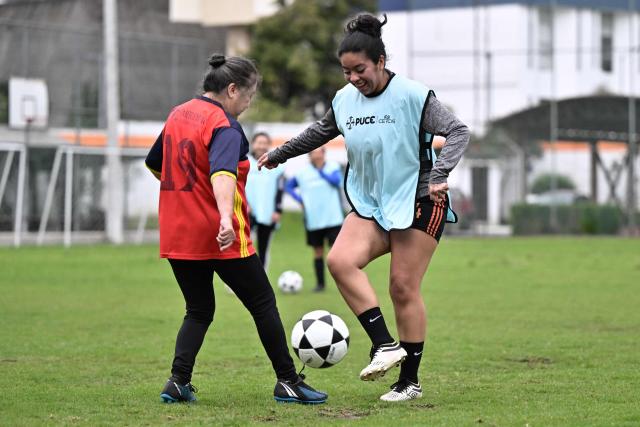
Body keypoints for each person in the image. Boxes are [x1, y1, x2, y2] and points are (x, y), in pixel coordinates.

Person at [259, 14, 469, 402]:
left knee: (402, 287)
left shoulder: (413, 95)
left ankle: (409, 382)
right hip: (371, 201)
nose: (354, 78)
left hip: (420, 198)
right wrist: (279, 154)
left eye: (360, 70)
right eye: (346, 72)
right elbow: (318, 133)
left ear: (380, 62)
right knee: (339, 261)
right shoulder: (344, 101)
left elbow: (458, 130)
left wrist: (440, 174)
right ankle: (384, 344)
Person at [145, 53, 327, 405]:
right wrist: (225, 217)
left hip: (177, 231)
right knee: (263, 302)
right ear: (232, 89)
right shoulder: (224, 124)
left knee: (198, 309)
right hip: (219, 232)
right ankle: (288, 381)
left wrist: (186, 192)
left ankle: (178, 381)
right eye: (248, 95)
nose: (247, 103)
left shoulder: (177, 114)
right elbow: (222, 172)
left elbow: (156, 163)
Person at [284, 147, 344, 292]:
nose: (317, 156)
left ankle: (343, 282)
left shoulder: (333, 167)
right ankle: (320, 284)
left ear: (324, 154)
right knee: (318, 251)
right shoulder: (302, 173)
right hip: (313, 219)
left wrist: (320, 171)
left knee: (336, 253)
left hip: (333, 218)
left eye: (320, 153)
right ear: (309, 156)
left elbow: (337, 182)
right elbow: (288, 186)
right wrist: (299, 199)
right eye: (314, 153)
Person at [246, 132, 285, 269]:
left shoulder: (276, 166)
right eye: (259, 142)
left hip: (267, 212)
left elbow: (280, 189)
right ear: (253, 144)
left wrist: (277, 210)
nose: (261, 145)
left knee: (263, 248)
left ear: (268, 145)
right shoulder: (244, 162)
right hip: (246, 211)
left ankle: (261, 283)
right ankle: (239, 282)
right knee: (243, 247)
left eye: (264, 143)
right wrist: (244, 203)